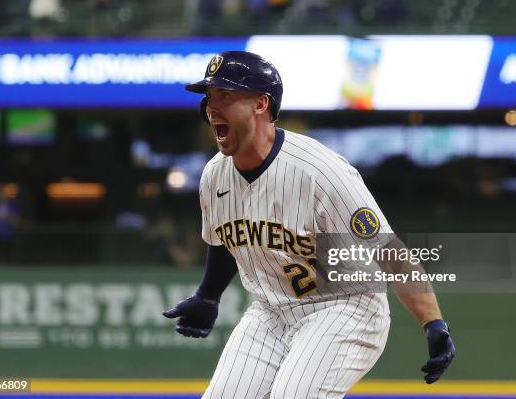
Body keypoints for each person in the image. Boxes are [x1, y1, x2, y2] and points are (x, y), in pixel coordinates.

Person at [163, 51, 455, 398]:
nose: (211, 108)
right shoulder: (214, 176)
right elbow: (226, 239)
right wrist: (208, 297)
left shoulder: (321, 171)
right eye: (209, 98)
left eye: (225, 96)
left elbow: (388, 250)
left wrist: (433, 322)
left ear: (261, 104)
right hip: (271, 310)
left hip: (345, 308)